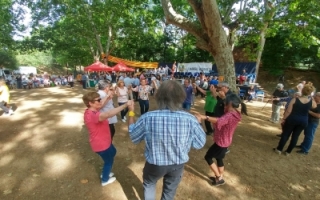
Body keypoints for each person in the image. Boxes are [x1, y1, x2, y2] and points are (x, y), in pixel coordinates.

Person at [127, 80, 206, 199]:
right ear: (181, 97)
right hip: (177, 164)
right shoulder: (190, 119)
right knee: (169, 192)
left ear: (159, 97)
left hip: (154, 164)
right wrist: (198, 123)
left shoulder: (148, 117)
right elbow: (199, 144)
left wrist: (131, 113)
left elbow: (134, 137)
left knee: (149, 184)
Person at [82, 92, 132, 186]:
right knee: (109, 161)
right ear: (90, 103)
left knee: (113, 152)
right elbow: (108, 114)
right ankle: (105, 179)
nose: (100, 101)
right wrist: (125, 105)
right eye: (98, 100)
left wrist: (108, 97)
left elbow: (101, 105)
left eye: (100, 99)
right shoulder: (93, 115)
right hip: (101, 145)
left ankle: (106, 171)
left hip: (105, 142)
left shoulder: (92, 110)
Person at [196, 94, 247, 186]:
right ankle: (220, 176)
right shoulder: (235, 113)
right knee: (219, 158)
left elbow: (219, 121)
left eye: (226, 103)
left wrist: (205, 117)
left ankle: (219, 178)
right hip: (226, 141)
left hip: (222, 142)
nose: (224, 104)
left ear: (230, 103)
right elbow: (221, 120)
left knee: (208, 157)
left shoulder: (230, 115)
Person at [274, 84, 316, 156]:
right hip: (303, 121)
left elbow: (288, 111)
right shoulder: (311, 101)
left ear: (302, 91)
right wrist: (311, 97)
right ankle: (288, 151)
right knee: (295, 136)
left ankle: (279, 149)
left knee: (286, 134)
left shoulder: (295, 99)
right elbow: (314, 106)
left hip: (292, 119)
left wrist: (284, 119)